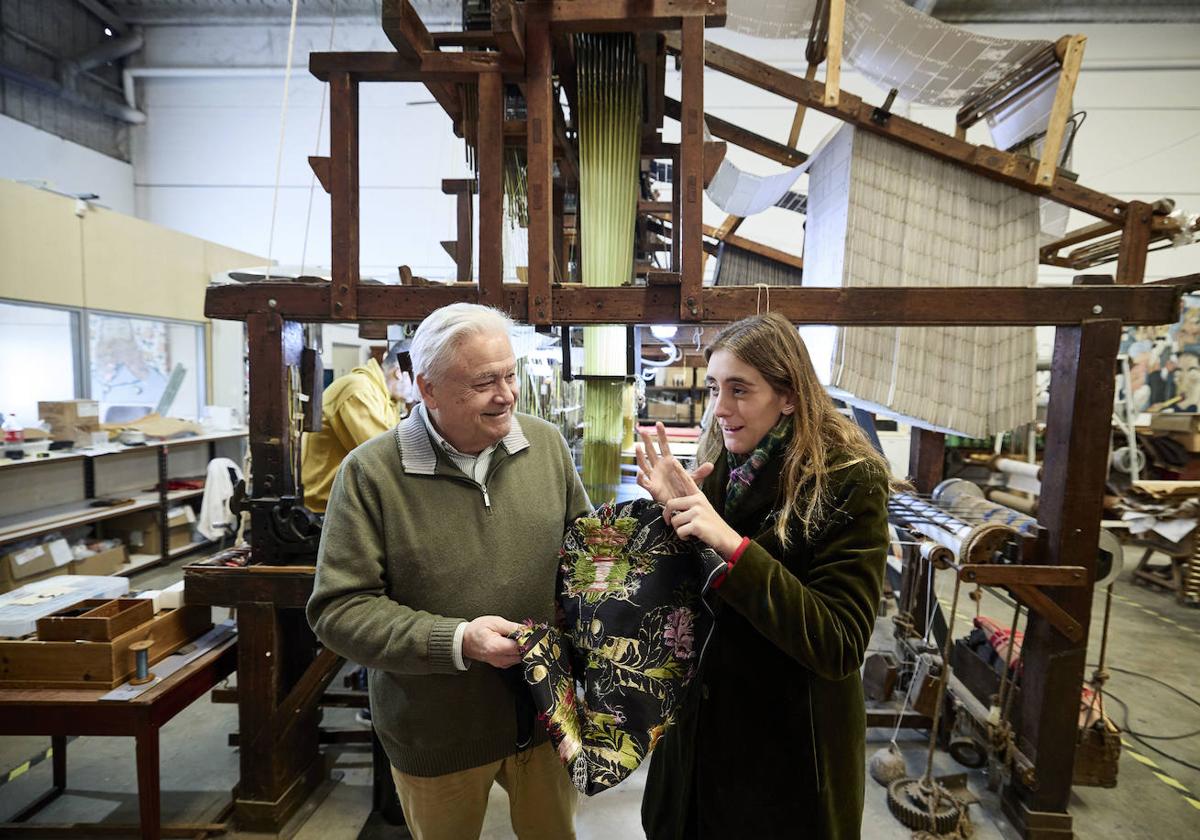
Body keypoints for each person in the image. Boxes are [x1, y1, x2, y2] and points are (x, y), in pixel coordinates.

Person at [306, 303, 590, 840]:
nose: (506, 394)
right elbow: (338, 610)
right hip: (437, 730)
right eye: (484, 382)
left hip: (544, 715)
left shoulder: (545, 444)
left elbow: (583, 560)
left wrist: (654, 531)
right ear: (427, 388)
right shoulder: (370, 474)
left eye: (510, 375)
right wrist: (458, 641)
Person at [635, 312, 891, 840]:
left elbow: (839, 643)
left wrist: (729, 544)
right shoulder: (723, 463)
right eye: (713, 389)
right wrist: (671, 526)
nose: (720, 409)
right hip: (701, 746)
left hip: (785, 759)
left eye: (739, 390)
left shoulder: (848, 481)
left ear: (789, 395)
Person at [300, 344, 409, 513]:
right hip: (325, 509)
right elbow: (385, 458)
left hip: (347, 503)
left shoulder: (388, 398)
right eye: (419, 380)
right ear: (398, 373)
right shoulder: (358, 390)